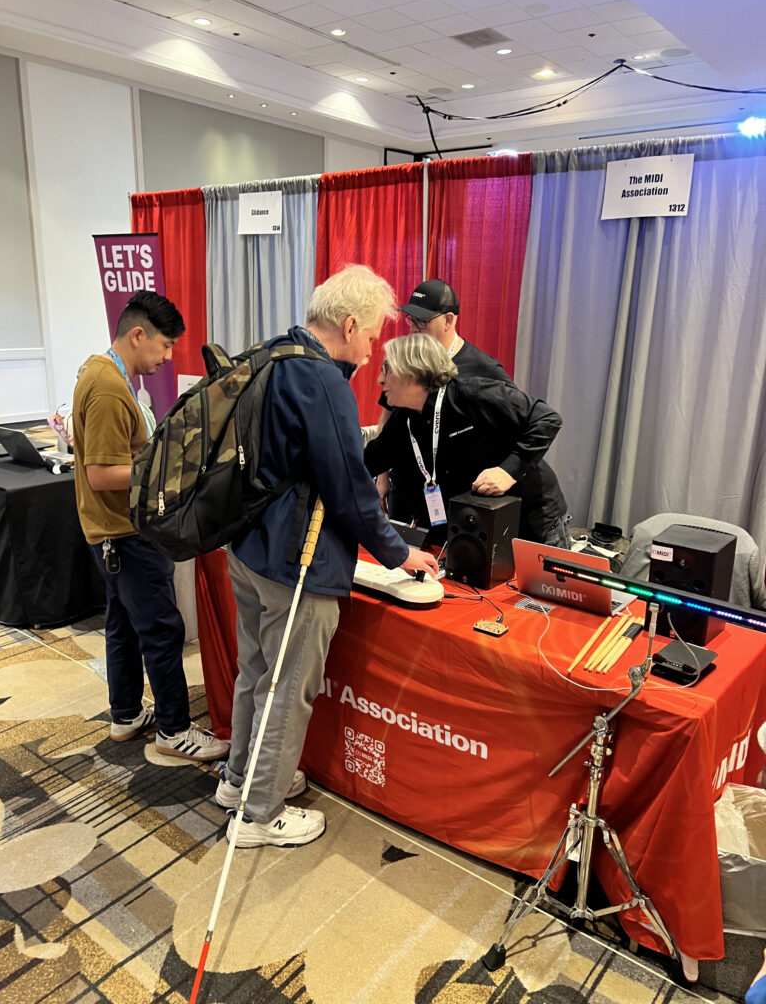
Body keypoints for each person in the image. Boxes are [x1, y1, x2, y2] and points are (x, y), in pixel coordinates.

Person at [212, 264, 438, 849]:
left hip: (249, 549)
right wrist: (398, 554)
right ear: (350, 323)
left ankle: (239, 782)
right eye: (371, 336)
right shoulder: (324, 381)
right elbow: (349, 488)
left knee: (257, 673)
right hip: (298, 562)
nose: (372, 350)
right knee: (288, 687)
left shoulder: (272, 353)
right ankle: (259, 815)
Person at [72, 291, 228, 761]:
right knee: (162, 628)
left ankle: (126, 715)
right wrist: (165, 470)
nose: (166, 357)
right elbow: (102, 475)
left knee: (123, 625)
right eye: (163, 346)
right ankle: (175, 730)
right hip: (124, 532)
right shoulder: (106, 387)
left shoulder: (103, 373)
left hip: (114, 532)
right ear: (136, 335)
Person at [365, 333, 569, 547]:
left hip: (530, 518)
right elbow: (367, 462)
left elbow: (547, 418)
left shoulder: (473, 394)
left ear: (411, 372)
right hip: (473, 527)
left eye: (386, 370)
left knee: (536, 582)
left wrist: (508, 471)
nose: (380, 379)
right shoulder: (403, 420)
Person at [374, 278, 510, 518]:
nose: (414, 327)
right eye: (411, 319)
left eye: (422, 321)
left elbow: (517, 425)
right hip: (405, 485)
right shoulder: (407, 359)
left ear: (448, 320)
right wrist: (381, 476)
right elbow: (387, 415)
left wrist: (506, 472)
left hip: (454, 492)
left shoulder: (483, 369)